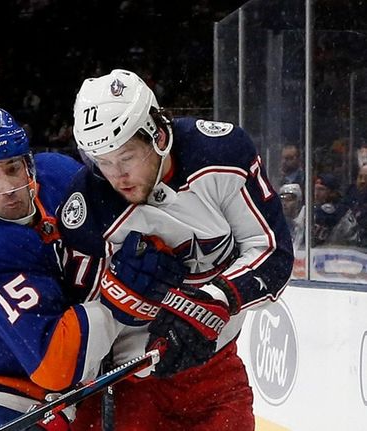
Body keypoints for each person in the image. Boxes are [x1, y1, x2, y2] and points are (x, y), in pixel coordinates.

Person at [61, 69, 294, 430]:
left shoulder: (220, 155)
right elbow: (76, 317)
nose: (116, 176)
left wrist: (218, 297)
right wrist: (114, 299)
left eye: (126, 157)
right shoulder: (90, 206)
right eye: (102, 162)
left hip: (214, 370)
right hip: (131, 382)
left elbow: (273, 253)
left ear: (157, 135)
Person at [0, 107, 123, 430]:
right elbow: (56, 367)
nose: (7, 186)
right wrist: (125, 297)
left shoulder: (60, 178)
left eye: (13, 168)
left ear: (30, 165)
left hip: (67, 392)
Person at [279, 183, 305, 250]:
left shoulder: (307, 219)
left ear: (298, 201)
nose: (284, 203)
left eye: (288, 199)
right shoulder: (280, 222)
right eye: (282, 199)